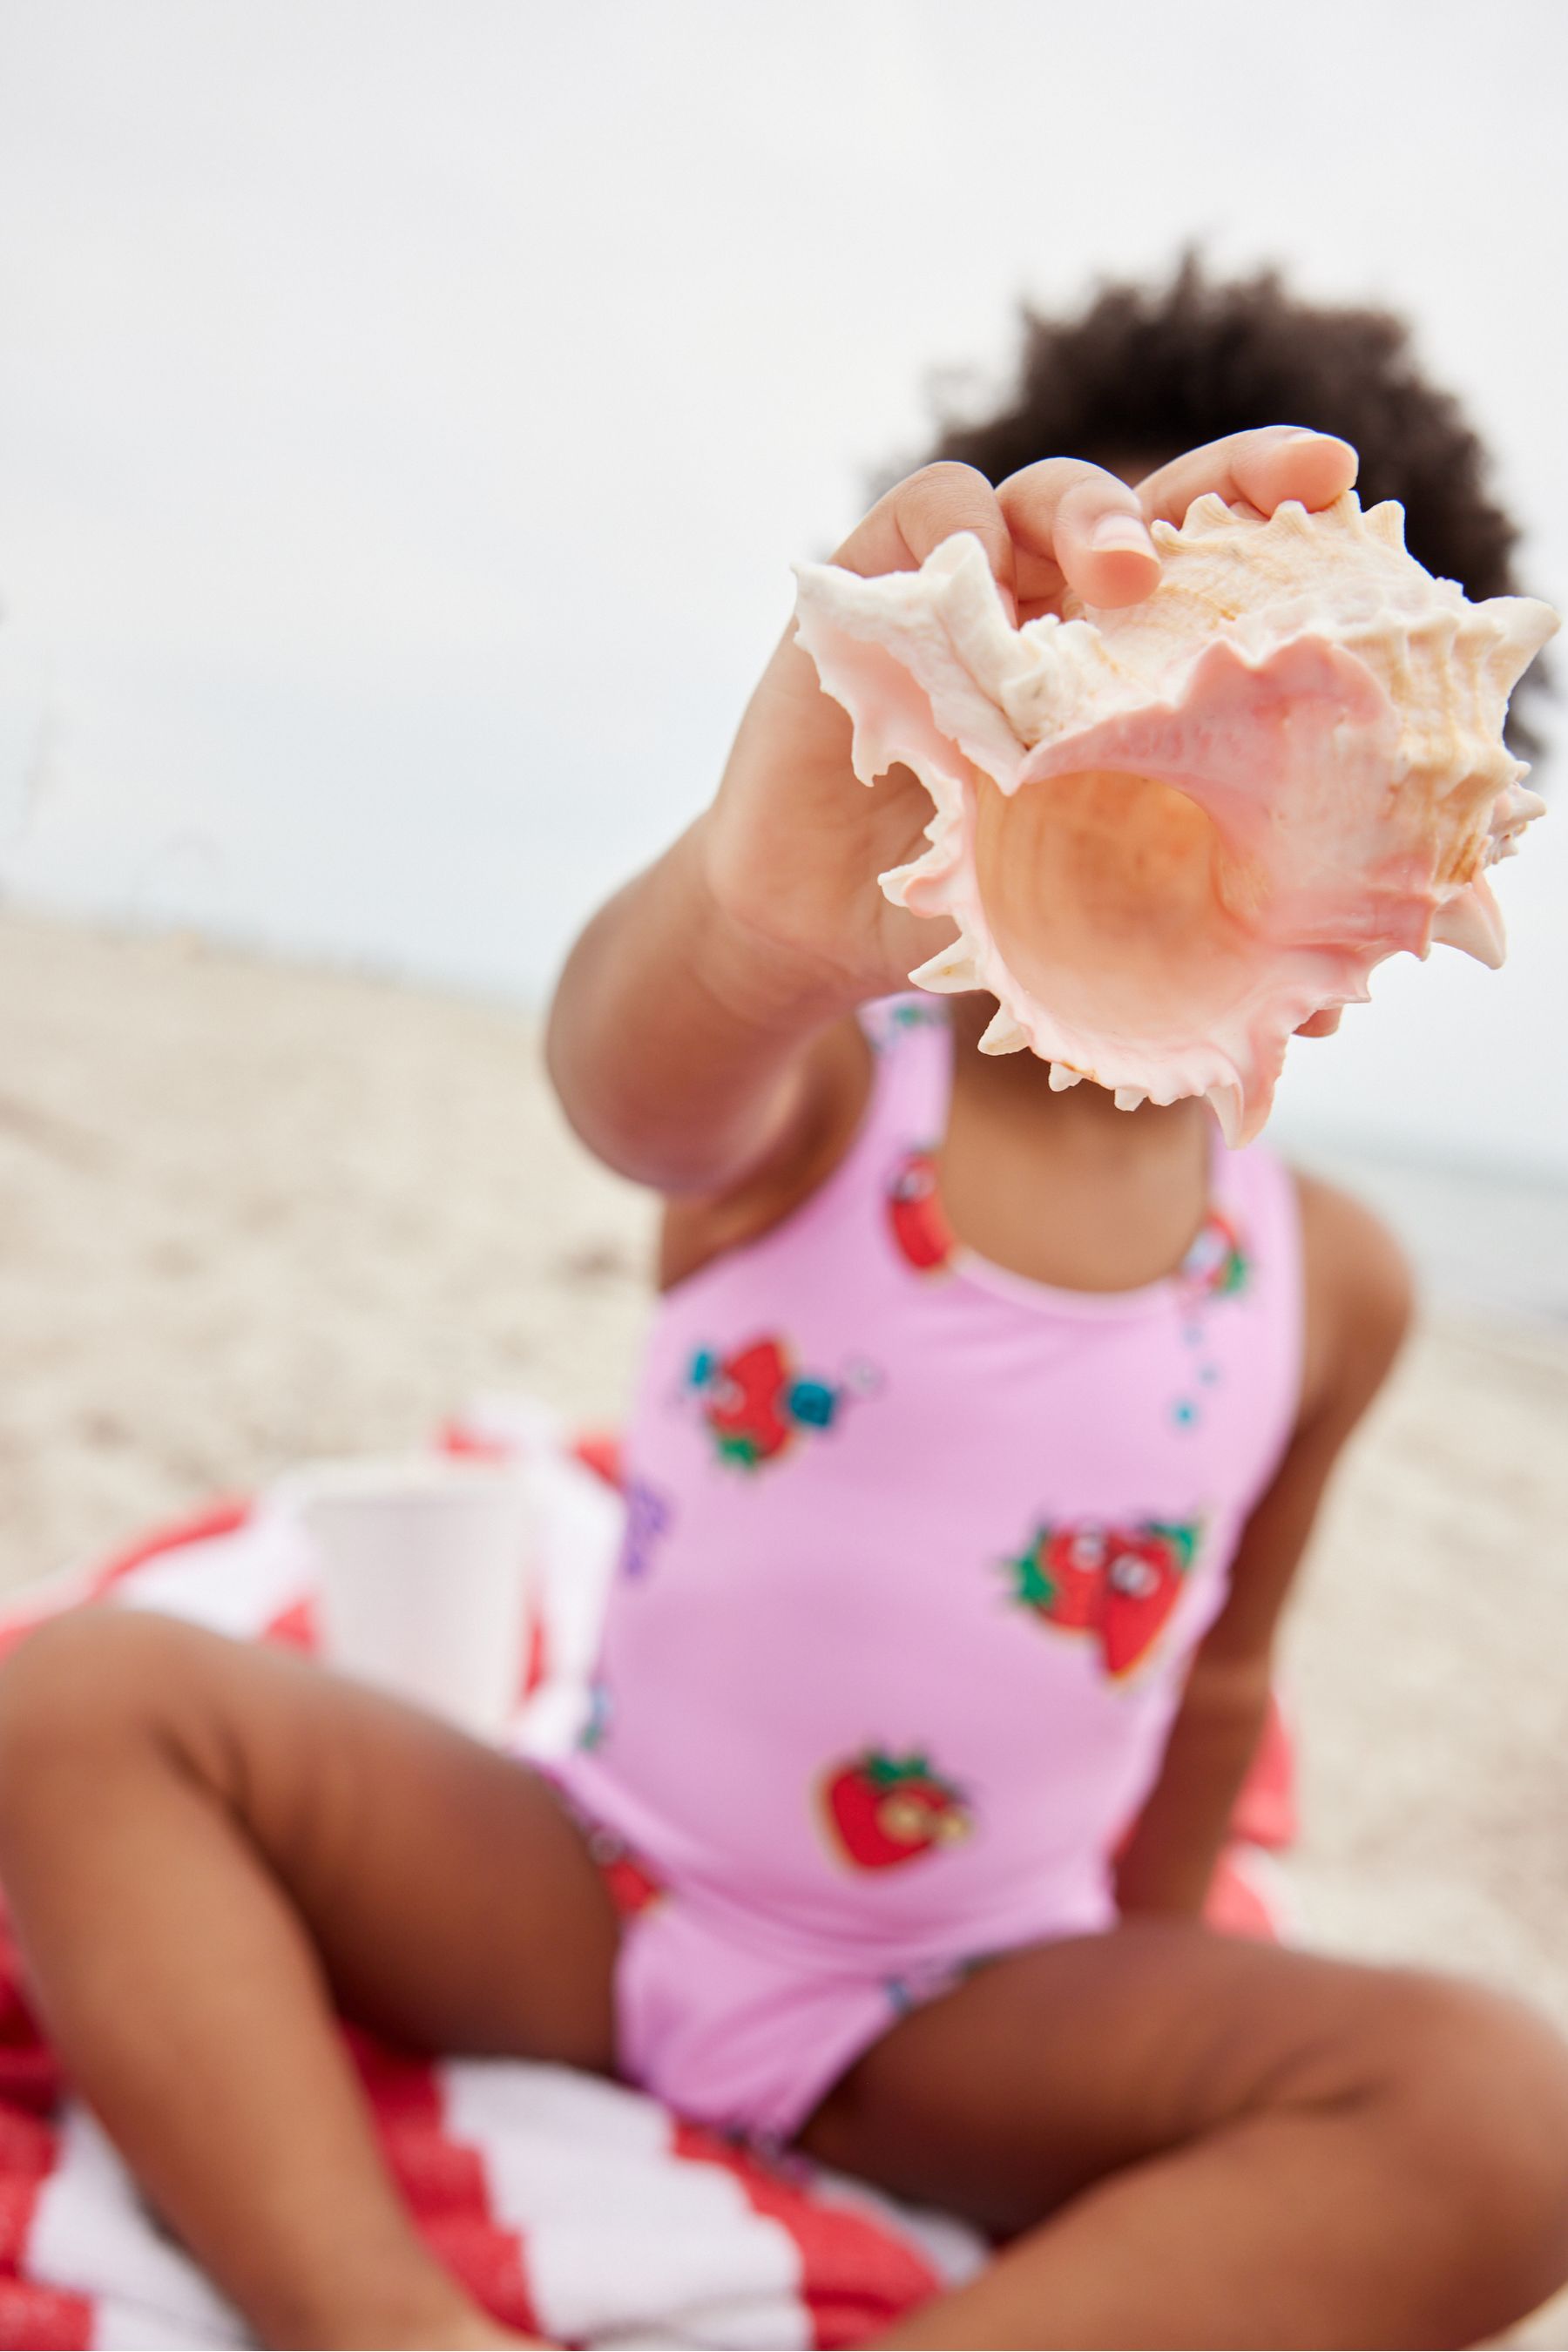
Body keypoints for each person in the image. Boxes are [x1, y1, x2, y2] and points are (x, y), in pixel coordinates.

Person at [0, 264, 1565, 2352]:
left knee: (1506, 2116)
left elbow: (1214, 1685)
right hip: (597, 1884)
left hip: (972, 2003)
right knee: (78, 1704)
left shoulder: (1329, 1278)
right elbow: (621, 1081)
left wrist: (1154, 2058)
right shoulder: (826, 1081)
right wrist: (750, 916)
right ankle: (377, 2319)